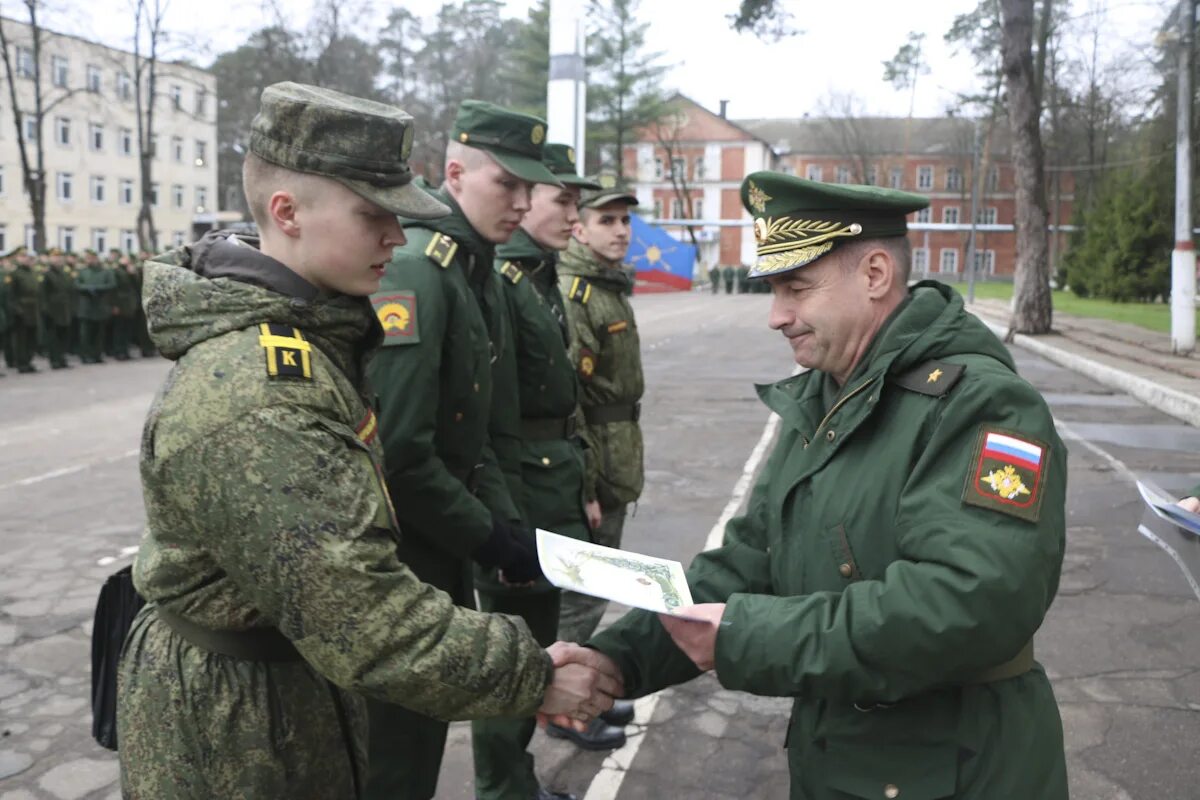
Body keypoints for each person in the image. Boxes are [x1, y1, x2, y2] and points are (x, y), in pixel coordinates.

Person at [116, 82, 620, 800]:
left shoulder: (312, 338)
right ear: (286, 213)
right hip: (238, 728)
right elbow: (364, 617)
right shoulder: (261, 394)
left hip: (286, 693)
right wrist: (535, 673)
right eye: (372, 215)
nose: (394, 236)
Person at [580, 172, 1070, 799]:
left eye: (796, 288)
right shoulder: (828, 392)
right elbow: (750, 561)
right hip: (842, 756)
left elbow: (972, 603)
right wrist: (617, 659)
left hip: (956, 770)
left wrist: (745, 636)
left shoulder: (981, 404)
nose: (777, 316)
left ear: (874, 275)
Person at [364, 100, 565, 800]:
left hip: (439, 549)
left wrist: (508, 528)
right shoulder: (422, 270)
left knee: (418, 739)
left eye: (528, 188)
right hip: (402, 558)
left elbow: (477, 433)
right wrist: (489, 537)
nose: (523, 202)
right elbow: (400, 456)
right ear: (454, 172)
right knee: (394, 754)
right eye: (505, 184)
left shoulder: (470, 269)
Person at [550, 174, 645, 750]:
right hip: (598, 462)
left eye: (625, 220)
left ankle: (580, 694)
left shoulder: (606, 286)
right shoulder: (578, 294)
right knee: (580, 597)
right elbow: (572, 405)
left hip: (617, 454)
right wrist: (585, 484)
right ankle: (566, 708)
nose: (620, 231)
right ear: (579, 227)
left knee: (597, 584)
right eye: (606, 220)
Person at [75, 250, 115, 364]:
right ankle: (85, 356)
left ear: (97, 259)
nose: (90, 260)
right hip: (86, 307)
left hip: (100, 306)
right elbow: (76, 284)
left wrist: (97, 288)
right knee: (85, 334)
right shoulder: (82, 272)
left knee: (99, 334)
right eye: (88, 258)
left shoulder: (105, 272)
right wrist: (88, 288)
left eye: (92, 258)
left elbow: (112, 284)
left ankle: (97, 355)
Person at [39, 249, 74, 369]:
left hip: (64, 309)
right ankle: (54, 360)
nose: (58, 259)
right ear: (50, 259)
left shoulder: (63, 273)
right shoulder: (47, 274)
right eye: (55, 257)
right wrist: (46, 310)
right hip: (52, 310)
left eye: (60, 257)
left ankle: (61, 358)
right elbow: (43, 294)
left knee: (63, 335)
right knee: (53, 337)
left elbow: (69, 291)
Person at [8, 248, 40, 373]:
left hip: (33, 309)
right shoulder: (15, 274)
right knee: (21, 339)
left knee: (32, 337)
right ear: (18, 258)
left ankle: (28, 361)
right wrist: (17, 310)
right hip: (21, 310)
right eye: (23, 256)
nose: (26, 258)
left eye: (28, 256)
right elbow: (11, 295)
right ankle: (21, 363)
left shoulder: (32, 273)